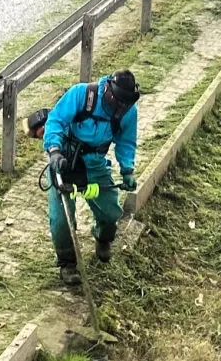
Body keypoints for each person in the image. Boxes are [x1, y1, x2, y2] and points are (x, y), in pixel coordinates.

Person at [42, 70, 140, 285]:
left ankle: (103, 237)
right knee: (61, 219)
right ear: (108, 91)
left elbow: (126, 141)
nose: (121, 109)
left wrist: (127, 170)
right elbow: (55, 120)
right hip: (66, 157)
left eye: (126, 105)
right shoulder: (82, 94)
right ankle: (67, 263)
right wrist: (55, 150)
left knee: (110, 210)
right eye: (119, 104)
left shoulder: (129, 111)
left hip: (95, 162)